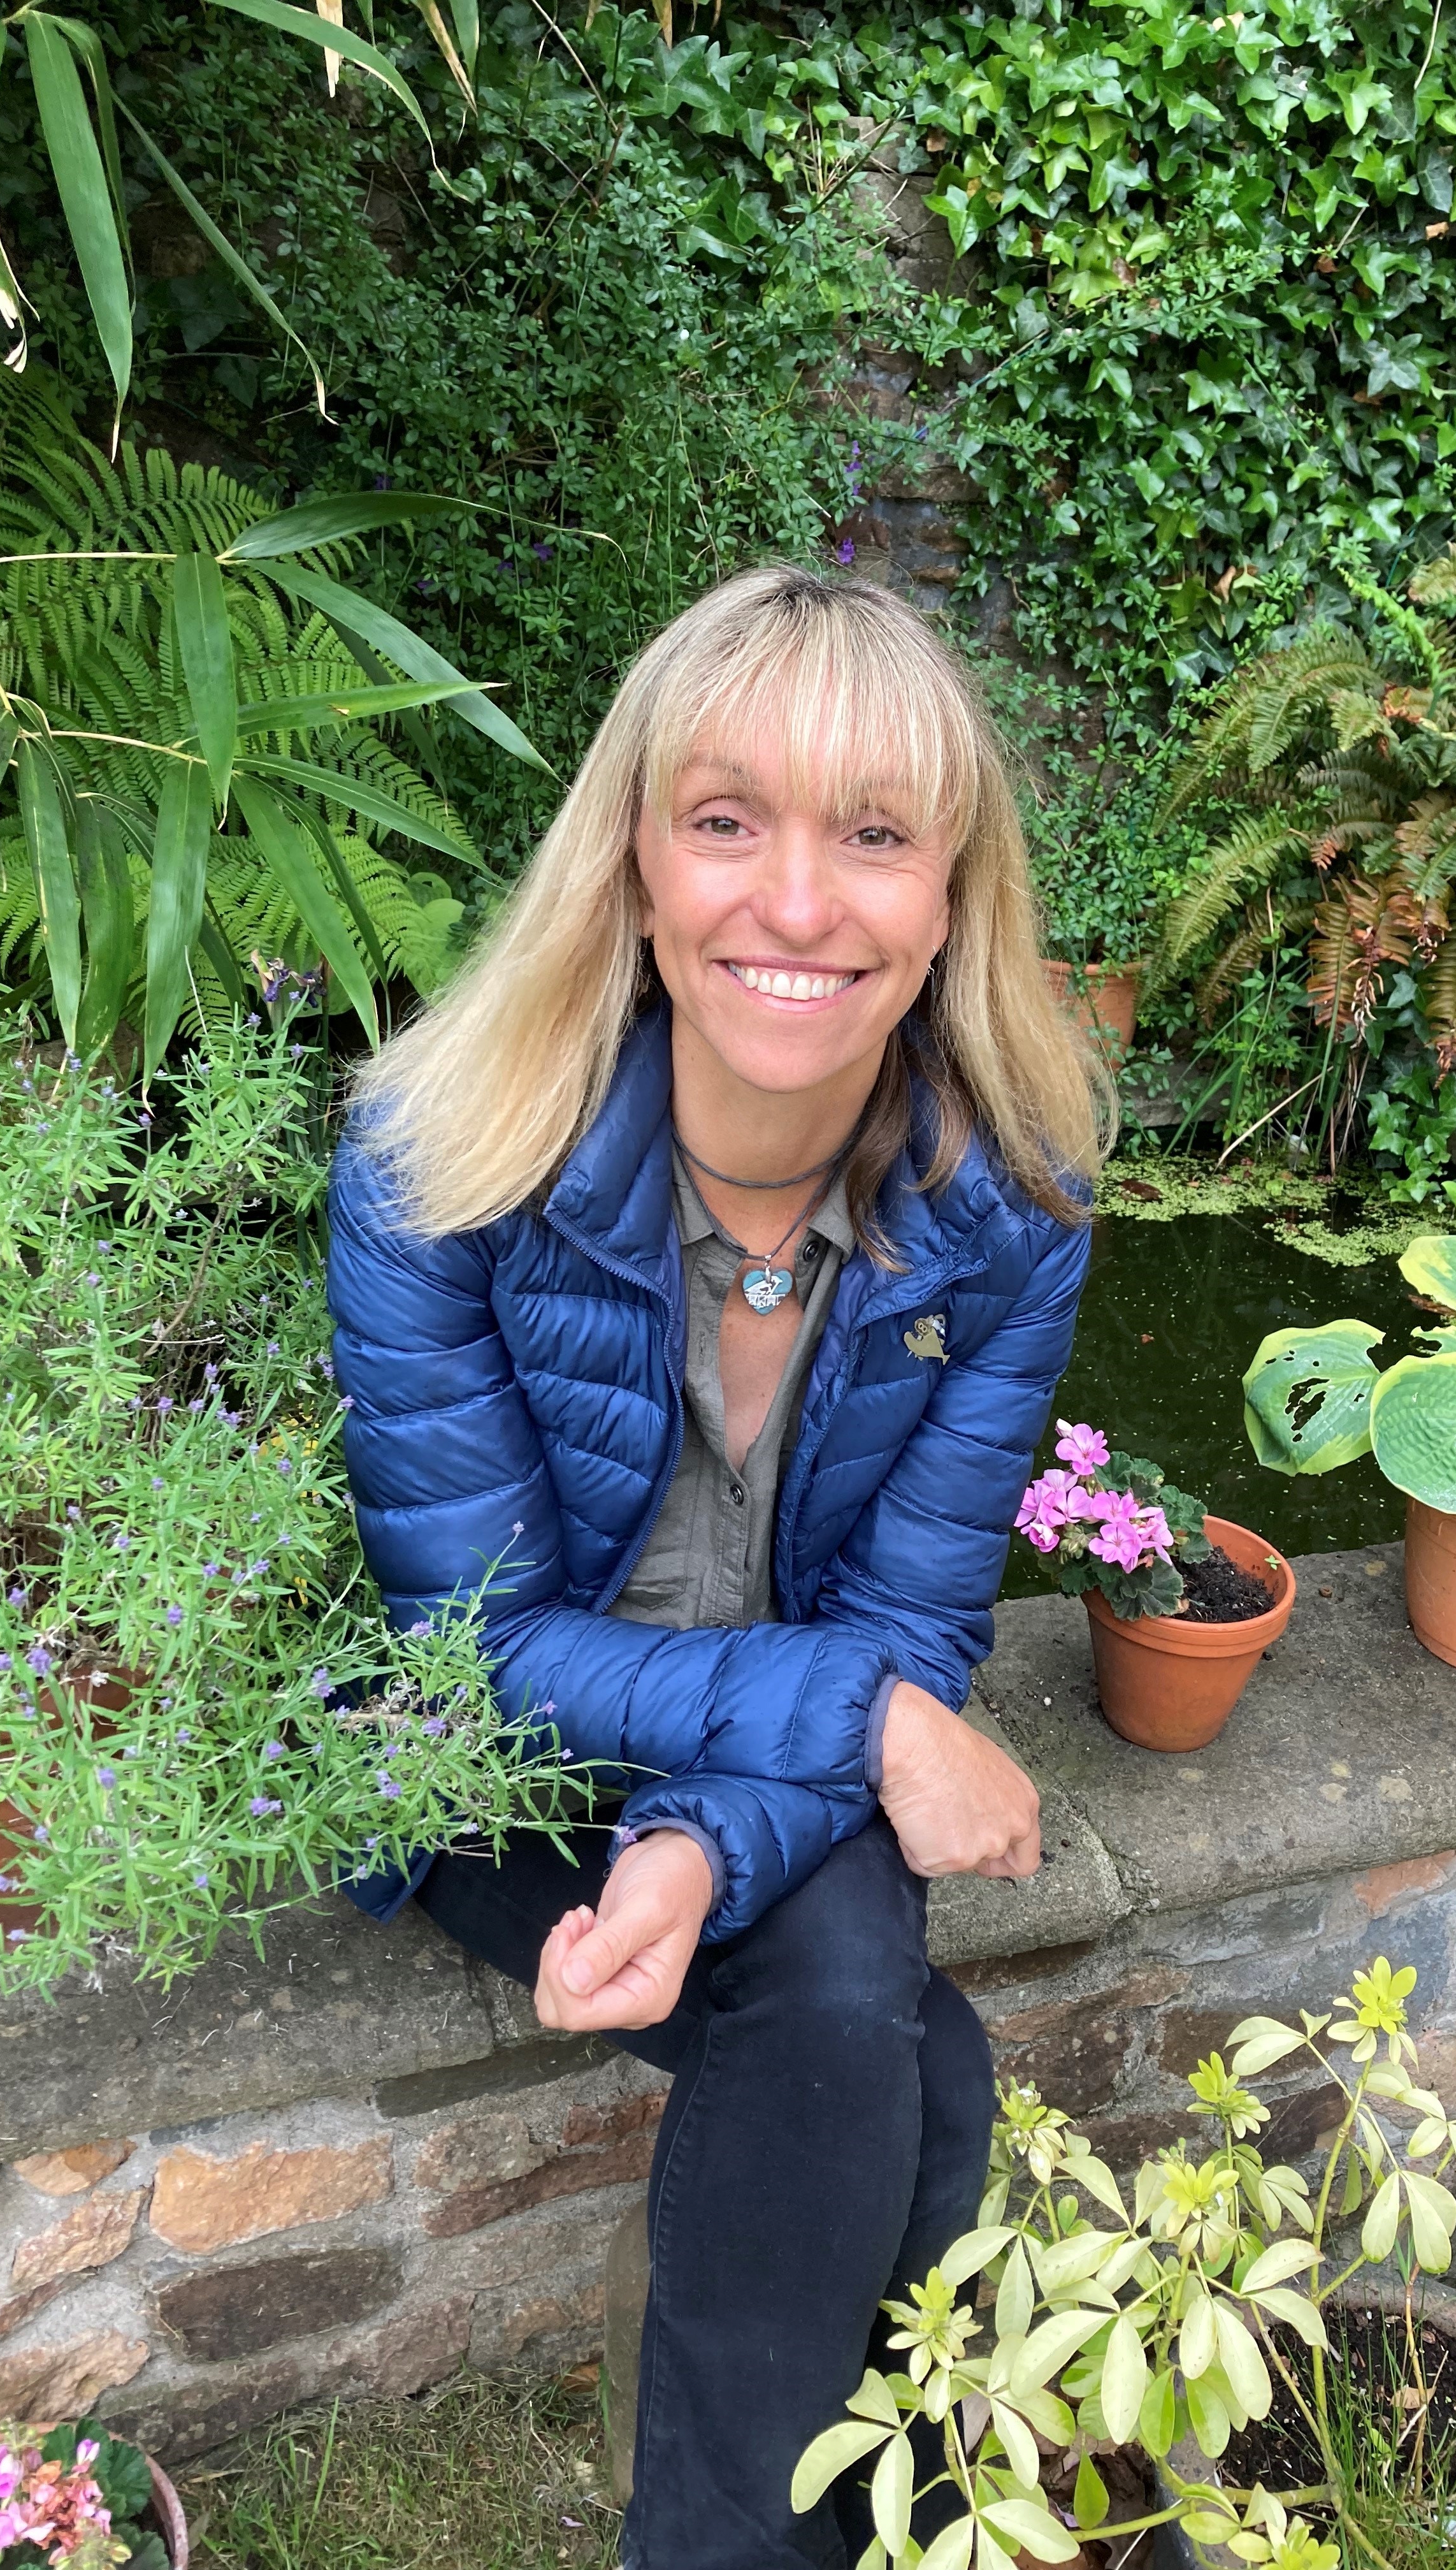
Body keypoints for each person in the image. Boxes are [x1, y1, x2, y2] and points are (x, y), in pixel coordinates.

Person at [325, 564, 1107, 2568]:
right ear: (639, 868)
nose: (794, 903)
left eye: (872, 836)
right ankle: (960, 2503)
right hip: (496, 1764)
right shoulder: (443, 1164)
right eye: (726, 820)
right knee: (892, 2037)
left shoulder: (1012, 1209)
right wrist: (866, 1712)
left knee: (857, 1999)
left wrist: (691, 1855)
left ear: (950, 894)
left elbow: (913, 1602)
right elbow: (480, 1648)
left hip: (769, 1784)